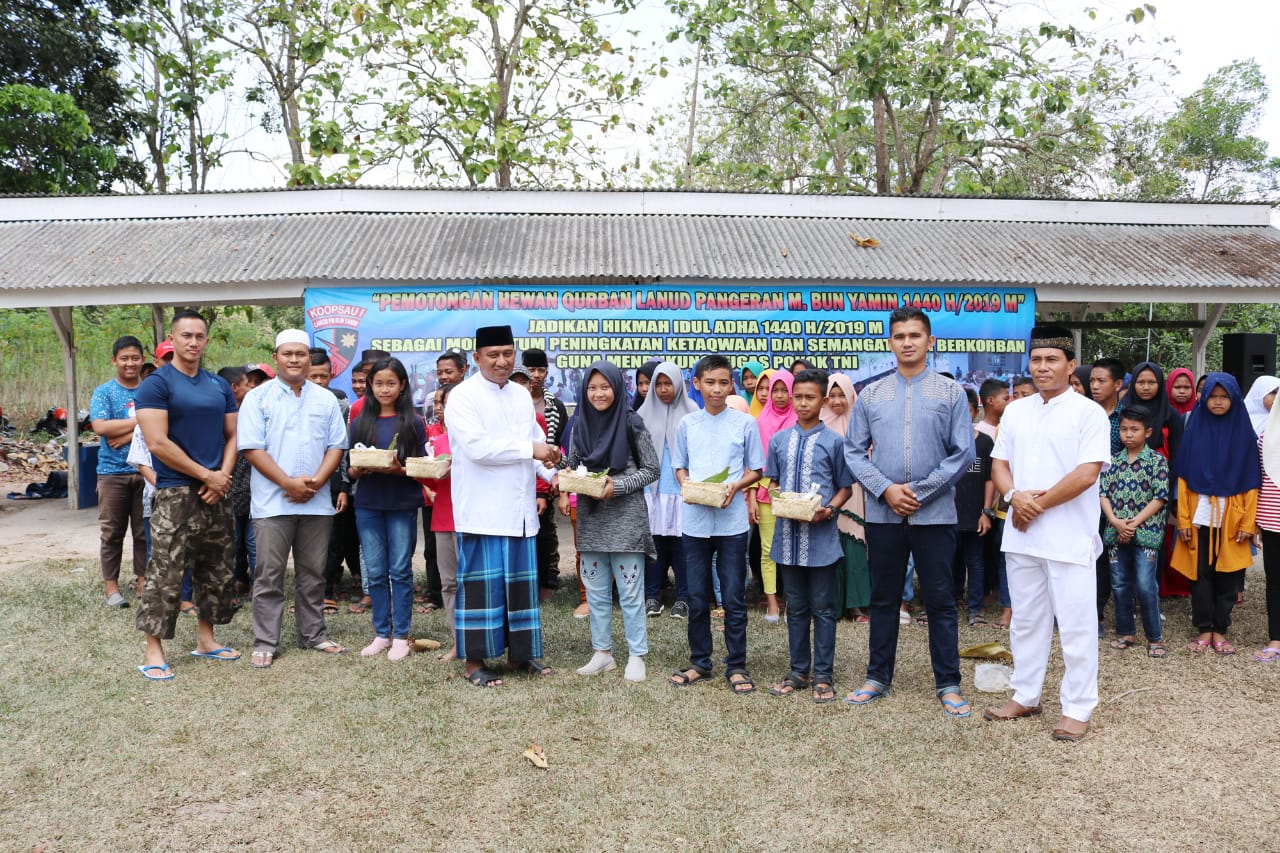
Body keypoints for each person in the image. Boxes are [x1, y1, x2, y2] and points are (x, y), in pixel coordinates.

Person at [843, 308, 975, 717]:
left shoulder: (950, 394)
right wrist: (885, 489)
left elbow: (964, 454)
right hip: (884, 515)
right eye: (899, 335)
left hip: (935, 514)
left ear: (929, 341)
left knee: (939, 598)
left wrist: (918, 491)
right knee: (883, 598)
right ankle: (877, 676)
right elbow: (853, 451)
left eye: (915, 335)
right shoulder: (871, 395)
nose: (907, 342)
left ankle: (948, 683)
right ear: (890, 343)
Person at [985, 324, 1110, 742]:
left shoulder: (1088, 413)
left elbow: (1087, 473)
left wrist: (1033, 504)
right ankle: (1026, 693)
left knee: (1075, 625)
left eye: (1052, 359)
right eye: (1036, 359)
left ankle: (1077, 707)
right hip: (1021, 535)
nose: (1042, 367)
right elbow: (999, 464)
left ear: (1070, 365)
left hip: (1068, 536)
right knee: (1026, 621)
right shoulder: (1017, 410)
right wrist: (1014, 496)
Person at [447, 326, 561, 687]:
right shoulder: (462, 397)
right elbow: (478, 449)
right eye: (493, 354)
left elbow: (538, 442)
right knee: (483, 589)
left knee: (519, 588)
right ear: (476, 358)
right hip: (481, 509)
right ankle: (474, 663)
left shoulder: (520, 394)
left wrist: (553, 471)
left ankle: (520, 655)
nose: (501, 361)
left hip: (519, 508)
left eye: (507, 353)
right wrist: (532, 451)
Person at [133, 310, 241, 681]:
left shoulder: (218, 385)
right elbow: (157, 442)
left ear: (206, 341)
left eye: (199, 336)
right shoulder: (156, 385)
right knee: (166, 571)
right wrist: (207, 475)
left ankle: (207, 640)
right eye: (186, 336)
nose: (193, 342)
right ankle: (153, 651)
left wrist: (222, 476)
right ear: (173, 340)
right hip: (175, 491)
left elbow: (234, 435)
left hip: (217, 490)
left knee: (217, 568)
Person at [238, 330, 349, 668]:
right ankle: (265, 641)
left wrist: (315, 483)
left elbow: (336, 446)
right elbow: (252, 448)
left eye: (300, 354)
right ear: (276, 357)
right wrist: (288, 482)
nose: (294, 359)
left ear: (308, 358)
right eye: (287, 353)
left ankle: (313, 634)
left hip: (316, 501)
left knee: (314, 573)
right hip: (273, 502)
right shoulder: (258, 399)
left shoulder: (326, 399)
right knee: (269, 574)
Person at [557, 361, 660, 681]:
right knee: (596, 590)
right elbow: (573, 466)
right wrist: (555, 460)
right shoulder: (580, 425)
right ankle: (602, 653)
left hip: (626, 518)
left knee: (630, 592)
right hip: (591, 517)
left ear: (617, 387)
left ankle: (636, 655)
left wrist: (618, 486)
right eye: (592, 388)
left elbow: (652, 469)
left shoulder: (632, 422)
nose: (599, 394)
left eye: (605, 387)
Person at [669, 354, 764, 693]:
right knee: (697, 595)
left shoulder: (744, 424)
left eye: (724, 382)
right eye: (709, 382)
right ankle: (700, 662)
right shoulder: (687, 424)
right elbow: (679, 465)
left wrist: (735, 486)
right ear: (696, 384)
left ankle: (736, 665)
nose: (717, 389)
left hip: (732, 524)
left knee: (734, 597)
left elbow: (757, 469)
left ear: (731, 385)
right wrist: (686, 484)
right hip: (694, 523)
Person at [764, 370, 853, 704]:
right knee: (796, 607)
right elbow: (772, 482)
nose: (802, 403)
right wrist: (778, 499)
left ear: (823, 401)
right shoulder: (778, 440)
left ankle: (824, 676)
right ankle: (798, 671)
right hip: (787, 538)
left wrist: (828, 510)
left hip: (821, 539)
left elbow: (845, 487)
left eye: (810, 397)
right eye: (797, 396)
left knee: (824, 609)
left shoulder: (835, 442)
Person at [1171, 374, 1259, 656]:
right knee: (1200, 575)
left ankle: (1221, 629)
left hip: (1233, 518)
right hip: (1199, 514)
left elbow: (1251, 481)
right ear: (1204, 398)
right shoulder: (1194, 430)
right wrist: (1183, 520)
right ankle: (1204, 628)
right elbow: (1184, 478)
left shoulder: (1244, 434)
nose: (1218, 402)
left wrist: (1248, 522)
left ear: (1234, 400)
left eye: (1224, 397)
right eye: (1212, 396)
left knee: (1229, 577)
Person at [348, 357, 427, 661]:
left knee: (399, 570)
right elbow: (350, 467)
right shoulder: (360, 422)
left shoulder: (413, 422)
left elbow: (421, 467)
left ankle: (402, 636)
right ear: (370, 385)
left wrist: (398, 469)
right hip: (367, 504)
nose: (384, 389)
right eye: (378, 383)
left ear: (402, 385)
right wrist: (357, 471)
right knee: (377, 571)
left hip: (402, 504)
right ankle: (382, 633)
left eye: (390, 383)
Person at [1099, 405, 1170, 658]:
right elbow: (1103, 494)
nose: (1128, 434)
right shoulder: (1113, 462)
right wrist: (1116, 522)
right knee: (1119, 584)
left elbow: (1160, 498)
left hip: (1146, 533)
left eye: (1135, 430)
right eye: (1124, 429)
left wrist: (1132, 523)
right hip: (1115, 531)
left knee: (1144, 584)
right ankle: (1126, 632)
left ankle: (1155, 637)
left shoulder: (1157, 461)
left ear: (1148, 432)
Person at [636, 361, 699, 619]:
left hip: (682, 491)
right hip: (652, 493)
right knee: (654, 547)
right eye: (658, 384)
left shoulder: (693, 412)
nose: (663, 389)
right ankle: (652, 596)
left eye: (668, 384)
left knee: (683, 547)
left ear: (678, 384)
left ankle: (683, 598)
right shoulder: (641, 415)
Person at [89, 335, 147, 608]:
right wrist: (140, 422)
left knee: (143, 532)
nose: (130, 363)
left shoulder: (151, 390)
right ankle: (111, 587)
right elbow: (100, 427)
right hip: (112, 473)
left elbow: (163, 423)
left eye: (135, 358)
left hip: (146, 471)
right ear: (114, 361)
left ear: (142, 360)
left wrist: (125, 431)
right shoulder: (104, 392)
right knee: (112, 533)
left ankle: (143, 582)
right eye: (124, 358)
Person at [820, 373, 870, 622]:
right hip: (825, 491)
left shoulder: (861, 422)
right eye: (833, 395)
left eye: (843, 395)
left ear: (852, 396)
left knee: (854, 543)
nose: (838, 401)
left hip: (855, 490)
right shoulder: (818, 422)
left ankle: (856, 605)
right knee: (828, 544)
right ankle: (832, 603)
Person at [749, 369, 797, 622]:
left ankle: (791, 602)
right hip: (766, 492)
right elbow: (755, 463)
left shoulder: (798, 419)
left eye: (783, 390)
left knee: (791, 549)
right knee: (768, 550)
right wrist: (754, 495)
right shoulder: (760, 421)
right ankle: (772, 605)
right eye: (773, 390)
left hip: (793, 495)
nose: (778, 396)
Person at [523, 348, 567, 598]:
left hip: (546, 475)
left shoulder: (555, 405)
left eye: (541, 370)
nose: (536, 375)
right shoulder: (514, 401)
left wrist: (552, 478)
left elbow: (557, 445)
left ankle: (549, 579)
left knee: (546, 530)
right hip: (518, 475)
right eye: (531, 370)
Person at [424, 382, 460, 661]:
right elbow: (429, 479)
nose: (447, 409)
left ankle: (479, 639)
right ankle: (458, 641)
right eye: (444, 404)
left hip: (475, 519)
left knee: (474, 583)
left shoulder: (478, 438)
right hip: (444, 516)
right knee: (449, 583)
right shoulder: (436, 442)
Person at [953, 387, 993, 625]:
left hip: (976, 514)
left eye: (966, 410)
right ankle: (948, 601)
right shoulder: (943, 441)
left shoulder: (986, 443)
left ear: (975, 412)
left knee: (975, 561)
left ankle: (975, 607)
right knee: (947, 560)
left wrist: (986, 512)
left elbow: (990, 479)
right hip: (947, 514)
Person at [977, 379, 1013, 629]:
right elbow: (993, 473)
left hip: (1028, 505)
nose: (1013, 401)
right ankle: (1000, 603)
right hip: (1000, 507)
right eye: (1010, 396)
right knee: (998, 557)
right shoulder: (983, 432)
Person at [1255, 400, 1280, 662]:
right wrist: (1255, 521)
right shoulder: (1266, 437)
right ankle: (1276, 638)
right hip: (1273, 519)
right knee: (1275, 580)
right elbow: (1259, 479)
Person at [1121, 362, 1183, 461]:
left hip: (1162, 472)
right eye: (1141, 382)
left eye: (1152, 382)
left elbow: (1177, 450)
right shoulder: (1121, 410)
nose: (1146, 387)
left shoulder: (1170, 414)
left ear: (1160, 383)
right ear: (1133, 384)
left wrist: (1170, 475)